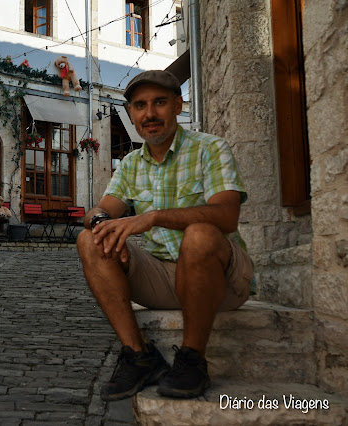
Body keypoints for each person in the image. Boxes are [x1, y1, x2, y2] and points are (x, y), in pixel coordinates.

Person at [77, 70, 253, 401]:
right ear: (131, 114)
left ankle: (192, 359)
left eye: (159, 102)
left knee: (199, 234)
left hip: (221, 280)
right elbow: (97, 211)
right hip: (161, 276)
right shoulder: (130, 164)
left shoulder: (210, 149)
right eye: (140, 105)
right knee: (89, 239)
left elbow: (227, 216)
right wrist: (104, 227)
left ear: (178, 105)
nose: (150, 114)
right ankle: (139, 355)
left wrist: (153, 218)